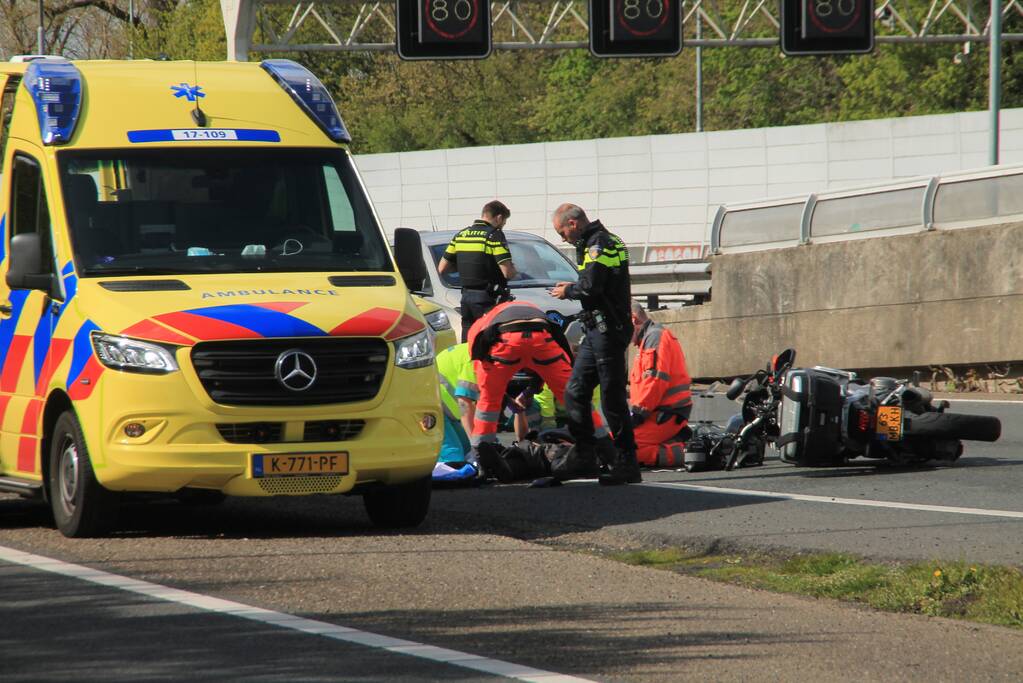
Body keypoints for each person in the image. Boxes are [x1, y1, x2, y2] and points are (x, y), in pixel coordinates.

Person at [549, 203, 639, 486]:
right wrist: (577, 285)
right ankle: (584, 455)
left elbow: (591, 287)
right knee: (575, 391)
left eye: (562, 232)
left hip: (608, 329)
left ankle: (627, 461)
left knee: (612, 397)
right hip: (595, 328)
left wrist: (569, 290)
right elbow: (595, 281)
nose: (563, 238)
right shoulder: (596, 242)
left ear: (573, 223)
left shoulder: (599, 244)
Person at [466, 301, 610, 471]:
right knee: (574, 399)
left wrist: (503, 398)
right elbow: (553, 353)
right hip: (542, 338)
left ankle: (481, 457)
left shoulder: (479, 326)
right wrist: (531, 390)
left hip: (505, 343)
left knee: (488, 404)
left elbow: (483, 373)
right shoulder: (531, 308)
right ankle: (605, 449)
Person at [438, 200, 518, 342]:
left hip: (466, 298)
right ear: (499, 218)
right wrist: (514, 270)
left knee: (468, 341)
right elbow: (507, 272)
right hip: (488, 299)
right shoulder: (494, 235)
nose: (503, 226)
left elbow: (442, 268)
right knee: (488, 343)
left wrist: (464, 267)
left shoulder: (460, 235)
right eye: (504, 222)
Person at [628, 302, 693, 468]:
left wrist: (637, 414)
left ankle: (686, 450)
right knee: (615, 441)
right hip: (656, 413)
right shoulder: (647, 340)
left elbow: (655, 382)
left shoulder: (654, 338)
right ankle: (674, 439)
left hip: (665, 414)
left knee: (624, 448)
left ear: (633, 320)